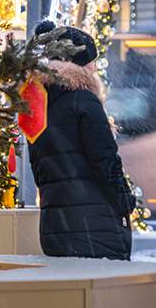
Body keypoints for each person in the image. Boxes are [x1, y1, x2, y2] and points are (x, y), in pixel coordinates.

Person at [26, 20, 136, 260]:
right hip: (93, 224)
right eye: (91, 62)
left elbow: (40, 171)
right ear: (77, 64)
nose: (95, 68)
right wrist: (124, 200)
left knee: (69, 295)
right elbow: (105, 161)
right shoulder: (84, 100)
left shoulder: (36, 106)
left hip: (54, 225)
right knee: (103, 293)